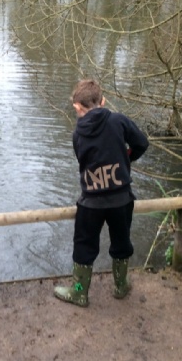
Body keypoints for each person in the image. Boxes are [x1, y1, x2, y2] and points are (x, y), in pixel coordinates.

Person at [54, 79, 149, 307]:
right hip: (121, 200)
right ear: (103, 101)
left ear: (77, 107)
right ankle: (120, 286)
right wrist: (126, 158)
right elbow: (142, 143)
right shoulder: (119, 121)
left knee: (84, 248)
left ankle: (79, 292)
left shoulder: (78, 134)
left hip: (91, 203)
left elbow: (82, 160)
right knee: (121, 244)